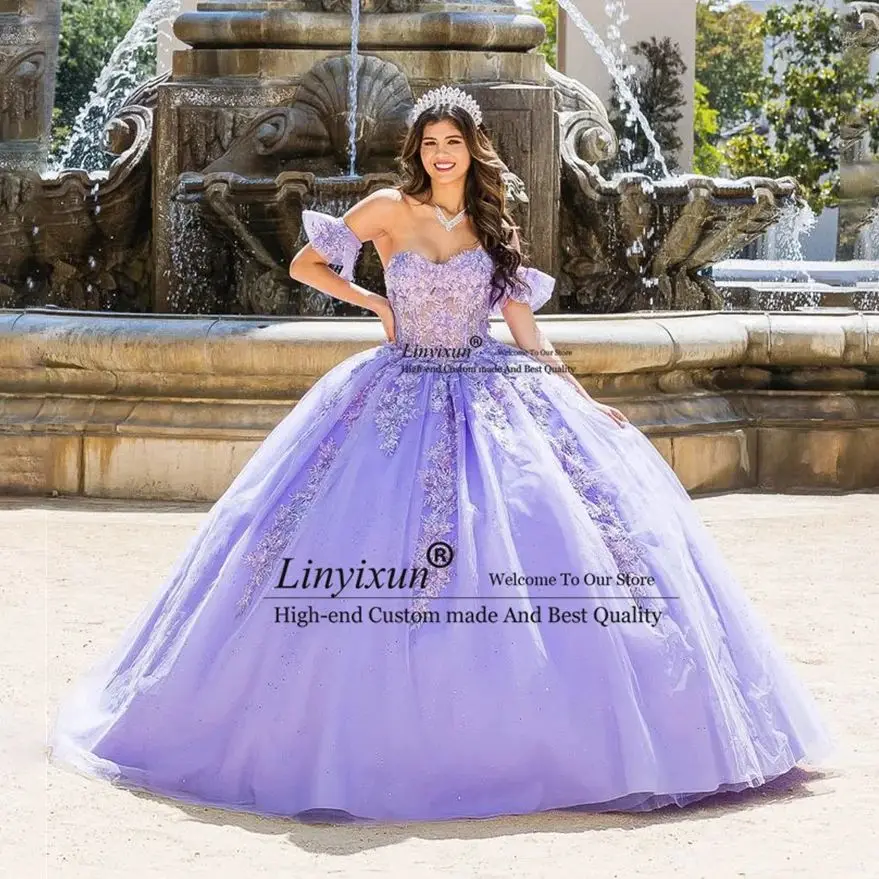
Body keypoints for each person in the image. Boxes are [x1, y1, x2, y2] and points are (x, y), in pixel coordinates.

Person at [48, 85, 833, 824]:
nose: (441, 154)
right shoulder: (389, 207)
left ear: (473, 148)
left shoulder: (495, 227)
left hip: (488, 386)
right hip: (396, 388)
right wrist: (375, 299)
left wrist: (580, 396)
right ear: (417, 151)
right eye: (430, 143)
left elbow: (524, 325)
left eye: (453, 142)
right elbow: (304, 262)